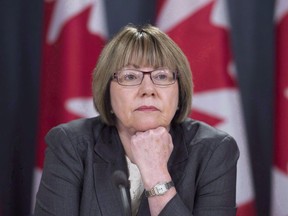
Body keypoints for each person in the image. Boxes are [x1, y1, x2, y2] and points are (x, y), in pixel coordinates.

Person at [34, 24, 239, 216]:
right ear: (107, 92)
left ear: (180, 92)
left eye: (161, 76)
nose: (148, 90)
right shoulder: (70, 144)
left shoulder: (214, 150)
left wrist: (157, 176)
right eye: (130, 77)